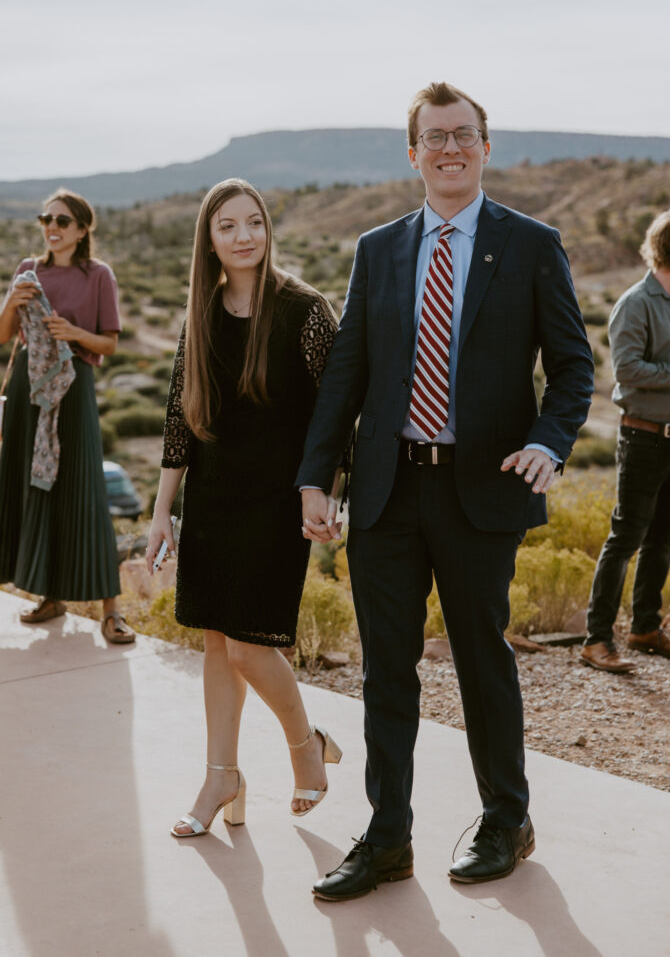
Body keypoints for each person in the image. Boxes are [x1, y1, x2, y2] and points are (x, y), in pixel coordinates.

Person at [297, 81, 593, 900]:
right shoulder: (378, 248)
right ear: (412, 152)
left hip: (479, 495)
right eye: (434, 136)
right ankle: (387, 837)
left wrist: (547, 440)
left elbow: (573, 367)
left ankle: (506, 817)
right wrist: (314, 477)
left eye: (463, 134)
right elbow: (349, 371)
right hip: (388, 493)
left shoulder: (531, 244)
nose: (450, 148)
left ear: (485, 147)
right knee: (384, 673)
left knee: (479, 663)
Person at [146, 178, 343, 837]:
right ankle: (220, 775)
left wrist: (325, 490)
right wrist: (160, 514)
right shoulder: (200, 312)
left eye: (252, 221)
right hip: (212, 496)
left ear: (267, 227)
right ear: (209, 238)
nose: (242, 236)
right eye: (226, 226)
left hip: (277, 502)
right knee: (214, 641)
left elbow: (337, 412)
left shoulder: (305, 310)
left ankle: (304, 751)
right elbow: (180, 416)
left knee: (249, 648)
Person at [0, 188, 135, 644]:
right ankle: (50, 595)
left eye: (62, 221)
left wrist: (74, 332)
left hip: (74, 390)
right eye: (46, 219)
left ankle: (111, 611)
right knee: (27, 484)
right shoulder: (27, 271)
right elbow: (4, 336)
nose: (52, 228)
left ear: (81, 229)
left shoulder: (99, 276)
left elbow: (109, 343)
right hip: (27, 389)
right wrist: (10, 304)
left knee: (83, 489)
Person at [580, 208, 670, 673]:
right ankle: (596, 640)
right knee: (626, 537)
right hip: (643, 437)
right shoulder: (635, 303)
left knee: (662, 537)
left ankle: (645, 628)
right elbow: (626, 372)